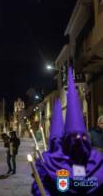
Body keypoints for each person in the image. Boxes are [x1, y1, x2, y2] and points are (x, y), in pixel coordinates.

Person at [31, 67, 103, 195]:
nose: (78, 141)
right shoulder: (52, 163)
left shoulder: (97, 162)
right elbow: (41, 187)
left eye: (82, 136)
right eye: (73, 137)